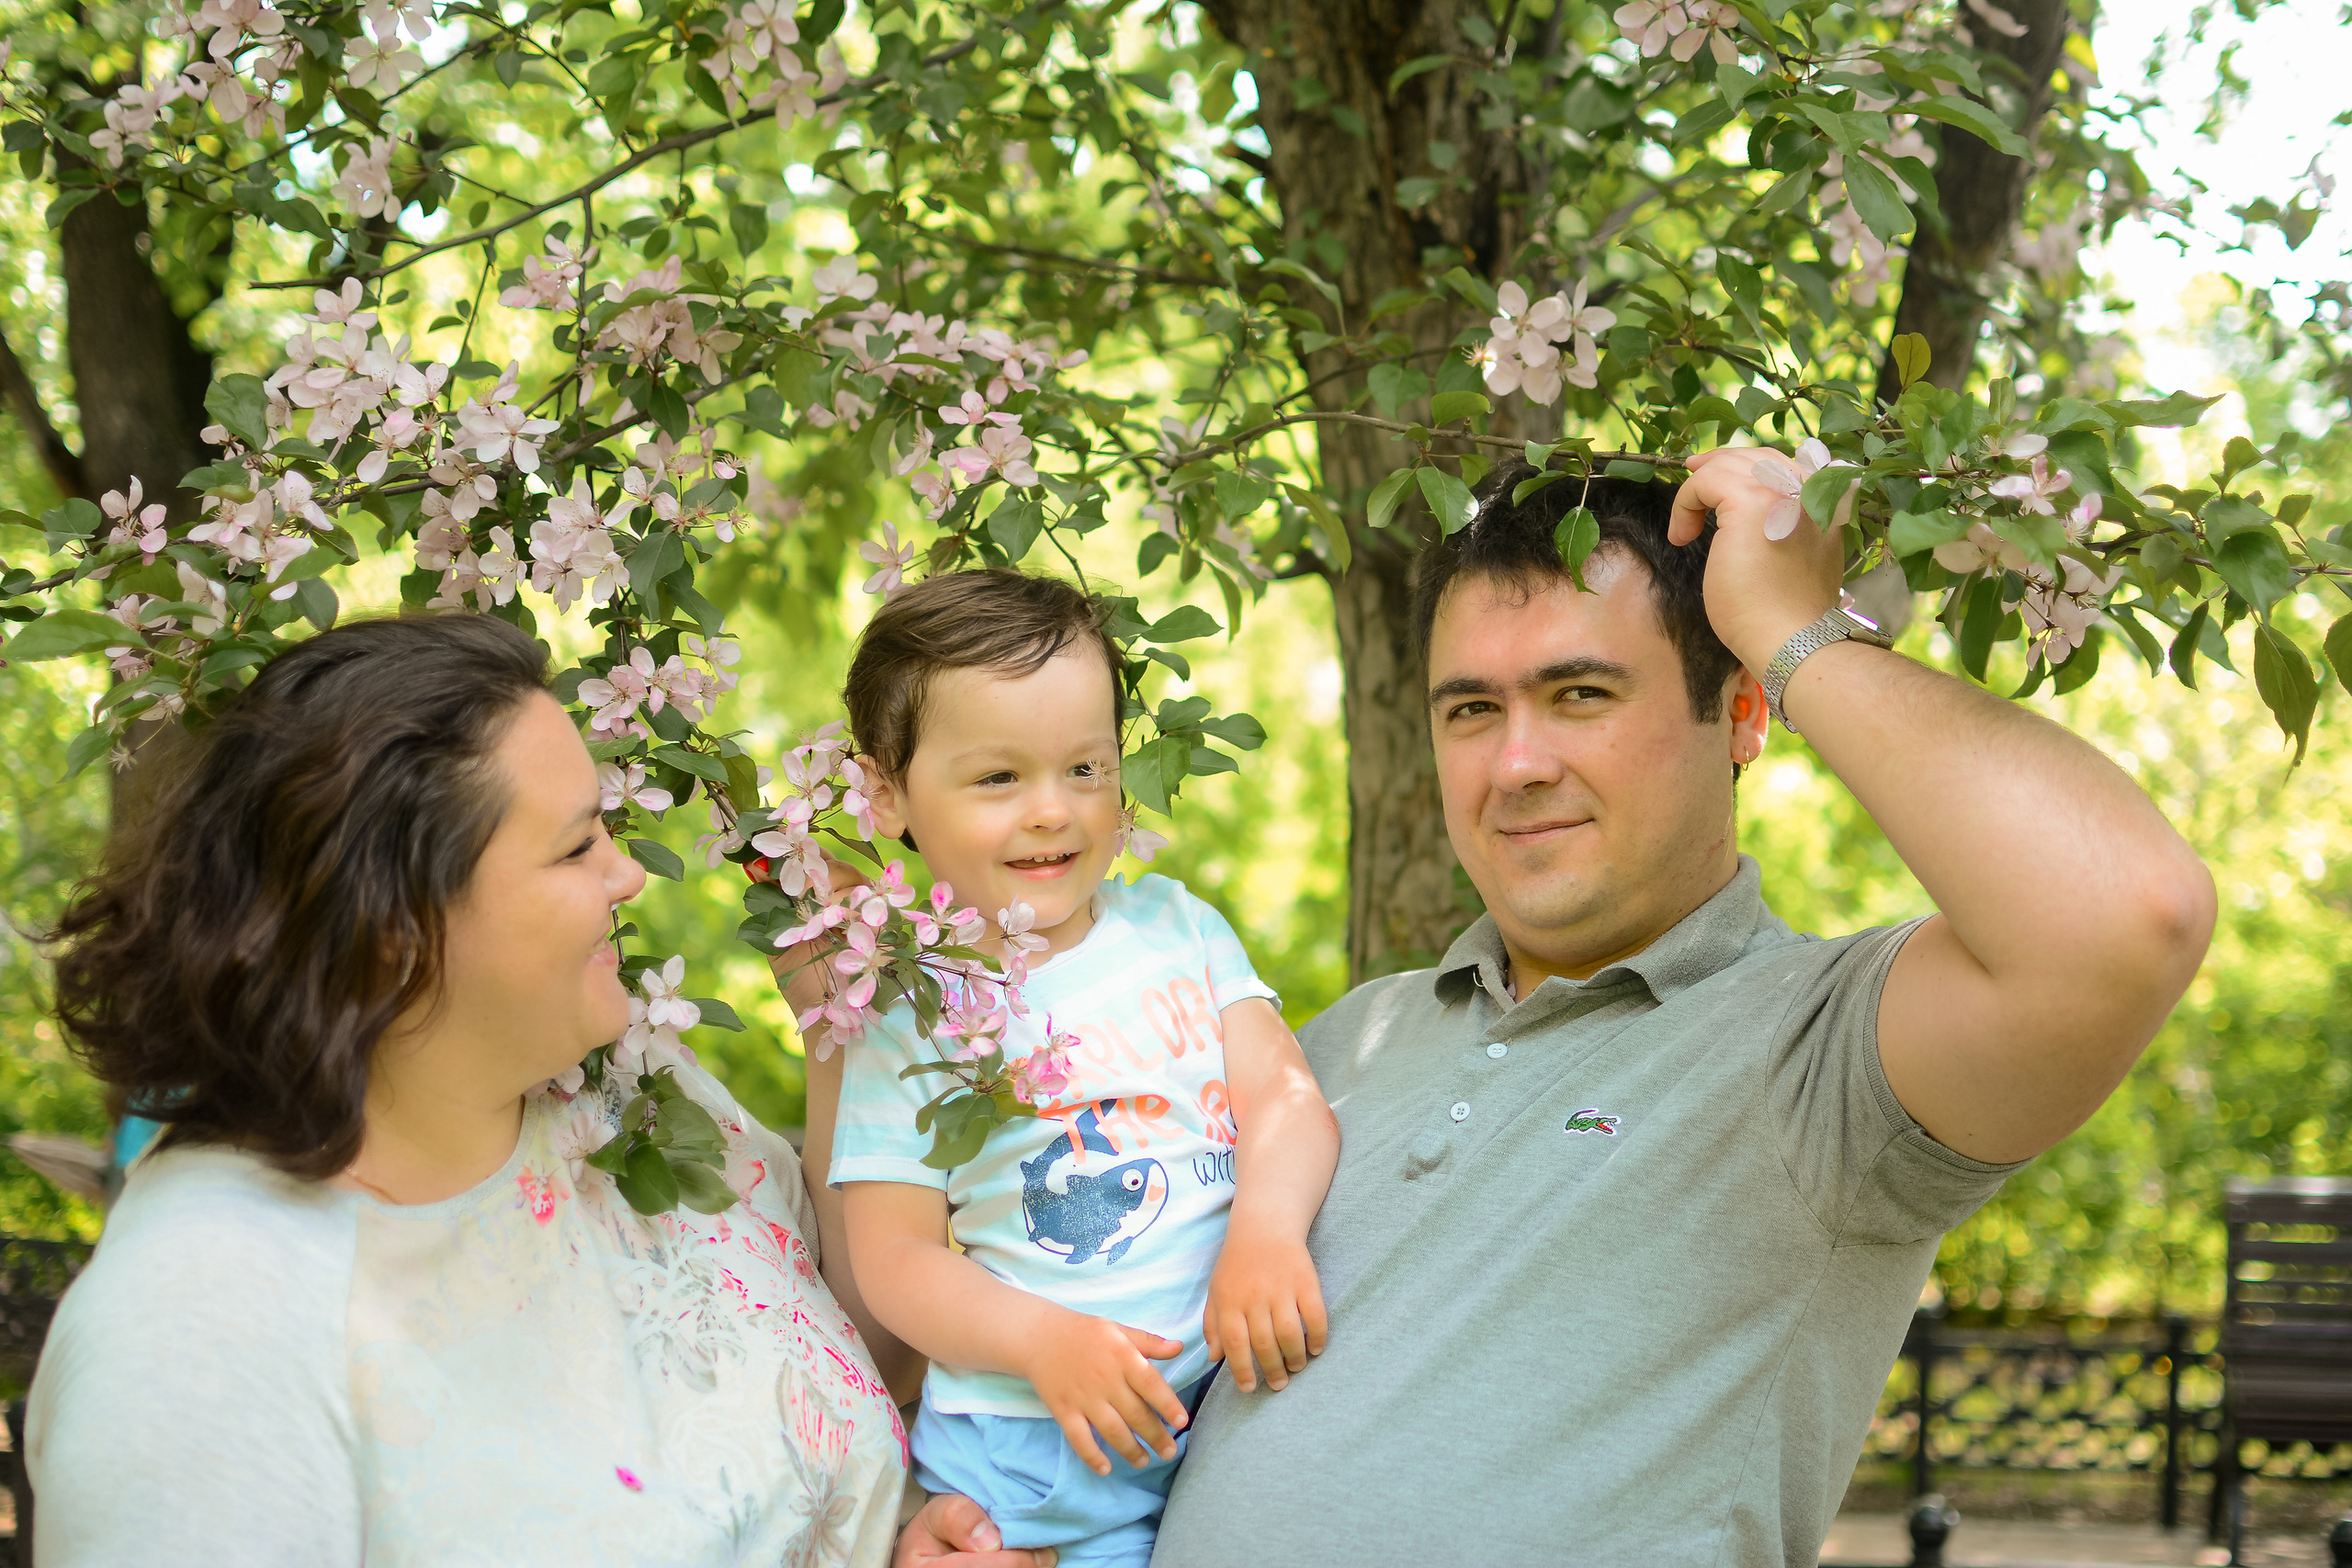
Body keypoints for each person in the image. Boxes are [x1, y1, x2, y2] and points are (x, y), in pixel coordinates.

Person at [1151, 448, 2217, 1567]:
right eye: (1471, 709)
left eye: (1580, 695)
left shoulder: (1819, 1058)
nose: (1514, 762)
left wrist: (1793, 624)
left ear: (1745, 710)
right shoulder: (1333, 1044)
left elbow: (2125, 913)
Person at [26, 613, 1051, 1568]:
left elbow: (860, 1362)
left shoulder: (620, 1088)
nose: (628, 878)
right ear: (397, 932)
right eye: (575, 847)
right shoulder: (197, 1332)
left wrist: (843, 1036)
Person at [784, 570, 1340, 1568]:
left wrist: (1265, 1231)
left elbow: (1286, 1100)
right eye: (998, 778)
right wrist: (1045, 1343)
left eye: (1085, 768)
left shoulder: (1178, 927)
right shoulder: (911, 1013)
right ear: (885, 792)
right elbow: (897, 1260)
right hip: (1032, 1457)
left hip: (1217, 1419)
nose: (1054, 811)